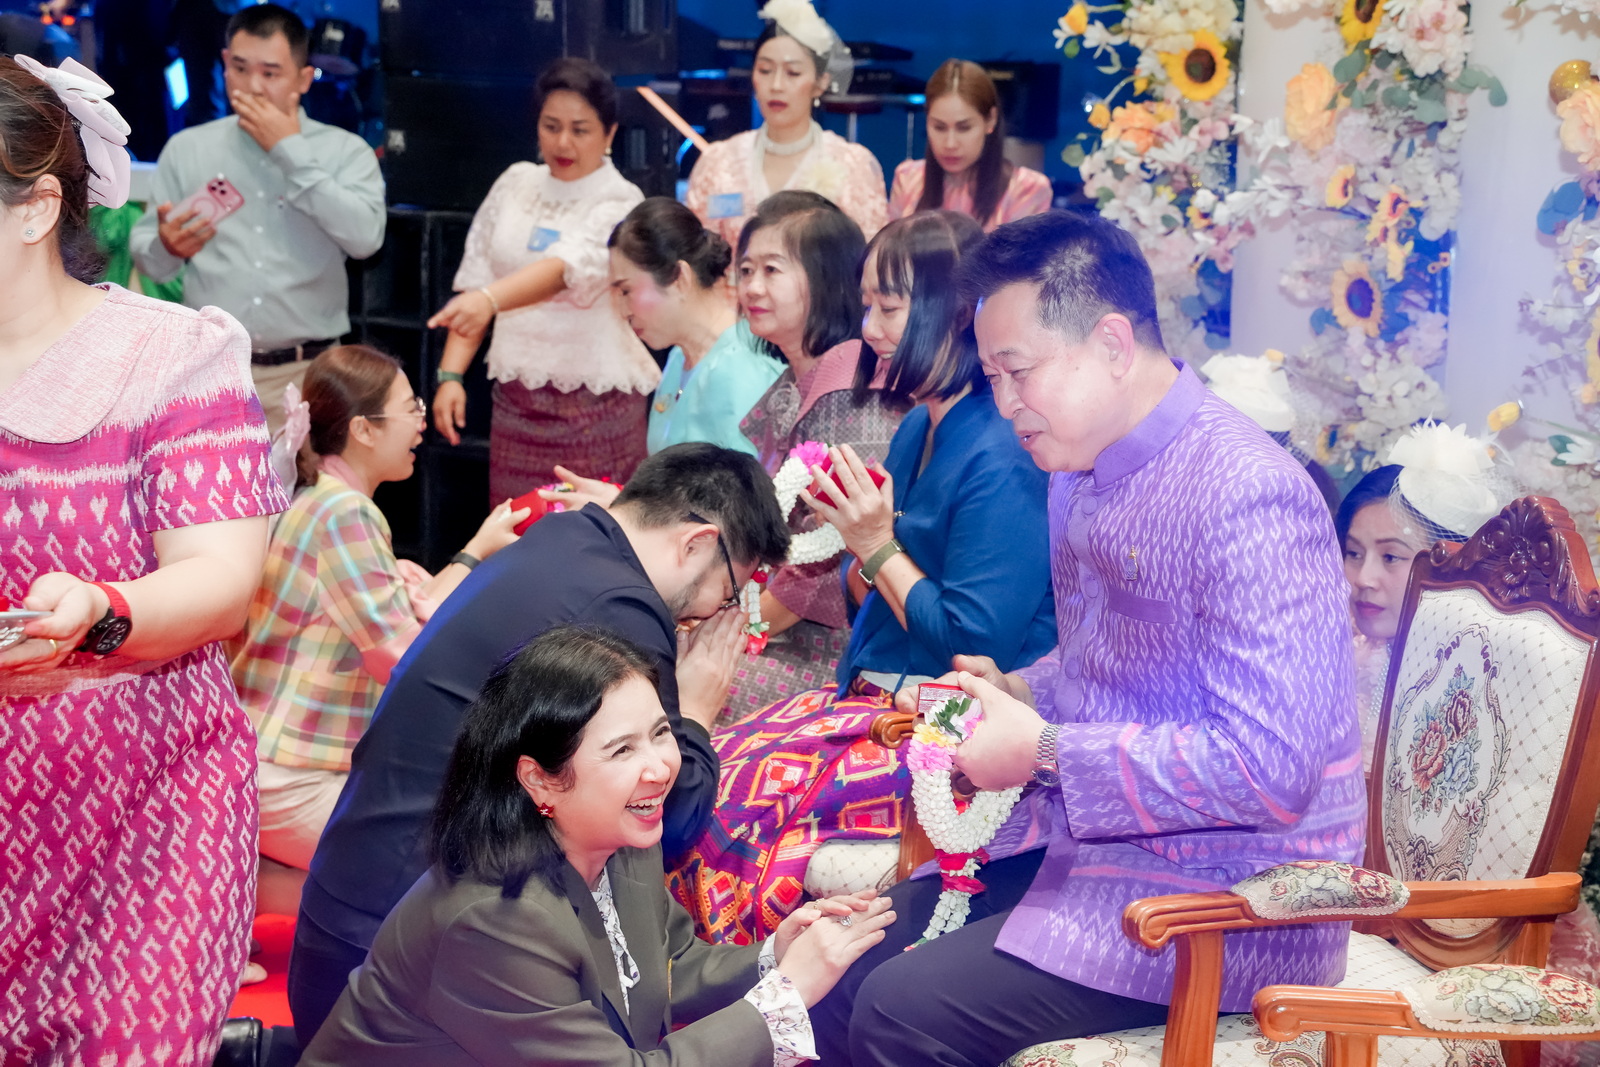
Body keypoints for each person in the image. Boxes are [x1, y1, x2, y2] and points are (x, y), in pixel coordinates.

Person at [804, 210, 1365, 1066]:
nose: (1004, 403)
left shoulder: (1248, 494)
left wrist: (1044, 749)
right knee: (841, 967)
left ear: (1110, 343)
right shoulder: (1077, 471)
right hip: (1097, 852)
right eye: (992, 376)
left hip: (1231, 901)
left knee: (900, 1009)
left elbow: (1268, 766)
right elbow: (1102, 660)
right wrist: (1019, 691)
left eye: (1018, 371)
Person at [287, 443, 793, 1045]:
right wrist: (699, 709)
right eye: (731, 590)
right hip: (416, 951)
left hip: (354, 902)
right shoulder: (620, 609)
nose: (717, 612)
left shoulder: (565, 538)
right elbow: (671, 815)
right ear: (696, 544)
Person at [0, 55, 286, 1061]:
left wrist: (99, 611)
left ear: (36, 210)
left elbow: (221, 581)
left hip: (149, 809)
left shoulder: (168, 355)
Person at [670, 211, 1057, 944]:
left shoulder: (1003, 452)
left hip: (941, 721)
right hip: (872, 689)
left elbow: (972, 644)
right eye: (868, 304)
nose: (869, 328)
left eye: (890, 307)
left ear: (954, 314)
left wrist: (876, 548)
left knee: (732, 805)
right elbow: (864, 591)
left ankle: (749, 989)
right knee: (706, 771)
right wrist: (867, 552)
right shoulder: (917, 427)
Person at [300, 624, 896, 1066]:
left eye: (660, 733)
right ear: (540, 780)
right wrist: (787, 996)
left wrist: (774, 956)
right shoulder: (494, 921)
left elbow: (667, 967)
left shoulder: (621, 838)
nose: (661, 768)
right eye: (622, 750)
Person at [551, 192, 908, 722]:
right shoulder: (796, 382)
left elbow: (826, 569)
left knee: (640, 692)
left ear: (828, 276)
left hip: (825, 647)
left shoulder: (852, 392)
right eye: (745, 270)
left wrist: (723, 627)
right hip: (767, 616)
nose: (752, 287)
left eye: (772, 270)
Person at [230, 344, 529, 872]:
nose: (421, 424)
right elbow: (400, 656)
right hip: (297, 772)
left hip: (266, 758)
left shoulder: (313, 496)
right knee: (459, 858)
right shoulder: (346, 513)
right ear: (364, 430)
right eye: (412, 409)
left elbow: (390, 625)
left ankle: (251, 890)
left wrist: (470, 556)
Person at [129, 3, 385, 439]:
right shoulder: (189, 149)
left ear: (303, 78)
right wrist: (166, 246)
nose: (253, 86)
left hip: (308, 372)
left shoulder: (345, 152)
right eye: (241, 68)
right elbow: (152, 263)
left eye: (270, 73)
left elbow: (366, 240)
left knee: (306, 486)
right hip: (210, 370)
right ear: (225, 63)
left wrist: (290, 151)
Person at [429, 57, 659, 503]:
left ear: (609, 134)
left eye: (580, 129)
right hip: (517, 403)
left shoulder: (621, 199)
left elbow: (564, 270)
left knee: (594, 534)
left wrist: (489, 299)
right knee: (516, 530)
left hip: (598, 406)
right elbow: (476, 281)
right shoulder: (515, 182)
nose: (563, 142)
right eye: (551, 126)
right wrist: (450, 374)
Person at [685, 0, 887, 248]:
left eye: (793, 73)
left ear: (821, 82)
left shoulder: (852, 165)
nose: (776, 85)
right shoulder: (718, 162)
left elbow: (866, 259)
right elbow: (698, 256)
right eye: (765, 70)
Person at [609, 196, 784, 456]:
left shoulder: (742, 371)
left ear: (680, 279)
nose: (622, 311)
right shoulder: (679, 356)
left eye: (626, 291)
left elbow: (748, 482)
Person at [887, 59, 1052, 232]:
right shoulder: (908, 179)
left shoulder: (1025, 190)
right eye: (939, 127)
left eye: (964, 128)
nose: (950, 143)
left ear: (991, 120)